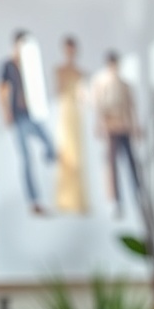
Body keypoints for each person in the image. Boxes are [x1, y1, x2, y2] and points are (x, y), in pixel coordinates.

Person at [0, 30, 57, 215]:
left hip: (34, 114)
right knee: (26, 158)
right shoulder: (7, 65)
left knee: (51, 147)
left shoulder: (30, 64)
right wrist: (6, 113)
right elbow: (2, 90)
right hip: (19, 117)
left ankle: (51, 171)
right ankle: (34, 202)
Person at [92, 51, 140, 215]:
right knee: (111, 165)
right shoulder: (101, 83)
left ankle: (138, 194)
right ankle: (115, 200)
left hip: (124, 127)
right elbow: (99, 107)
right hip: (111, 129)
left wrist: (135, 126)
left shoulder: (124, 84)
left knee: (131, 162)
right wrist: (100, 126)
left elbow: (131, 107)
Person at [55, 37, 88, 213]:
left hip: (76, 114)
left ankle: (78, 200)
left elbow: (84, 96)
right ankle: (65, 200)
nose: (70, 52)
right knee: (66, 154)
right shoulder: (59, 70)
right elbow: (58, 91)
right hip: (65, 111)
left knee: (77, 154)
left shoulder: (80, 72)